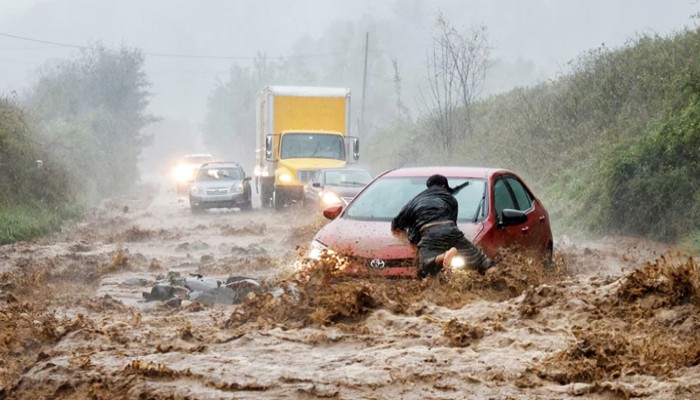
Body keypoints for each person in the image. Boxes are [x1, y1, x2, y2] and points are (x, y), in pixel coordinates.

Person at [391, 174, 495, 278]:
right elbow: (453, 225)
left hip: (429, 232)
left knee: (423, 269)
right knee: (484, 261)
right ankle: (497, 283)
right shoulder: (451, 199)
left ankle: (442, 256)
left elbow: (396, 225)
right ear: (444, 186)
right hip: (450, 230)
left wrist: (410, 239)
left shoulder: (414, 201)